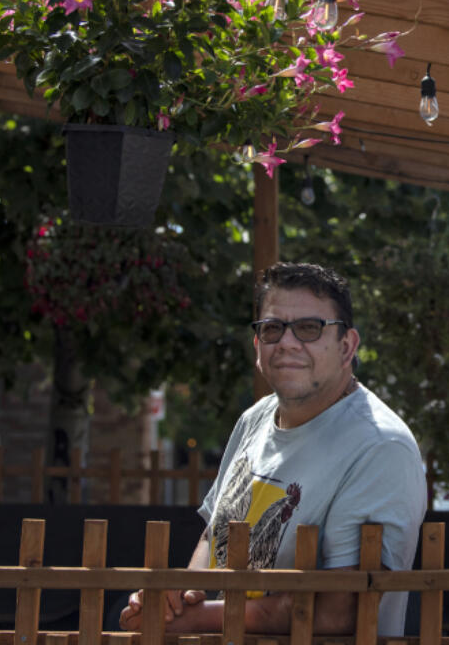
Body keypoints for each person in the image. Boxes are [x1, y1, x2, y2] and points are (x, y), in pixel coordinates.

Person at [120, 262, 426, 635]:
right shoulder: (256, 419)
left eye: (310, 328)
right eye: (272, 328)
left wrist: (196, 619)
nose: (287, 342)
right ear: (258, 346)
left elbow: (341, 611)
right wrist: (175, 601)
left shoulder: (380, 448)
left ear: (347, 347)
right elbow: (213, 535)